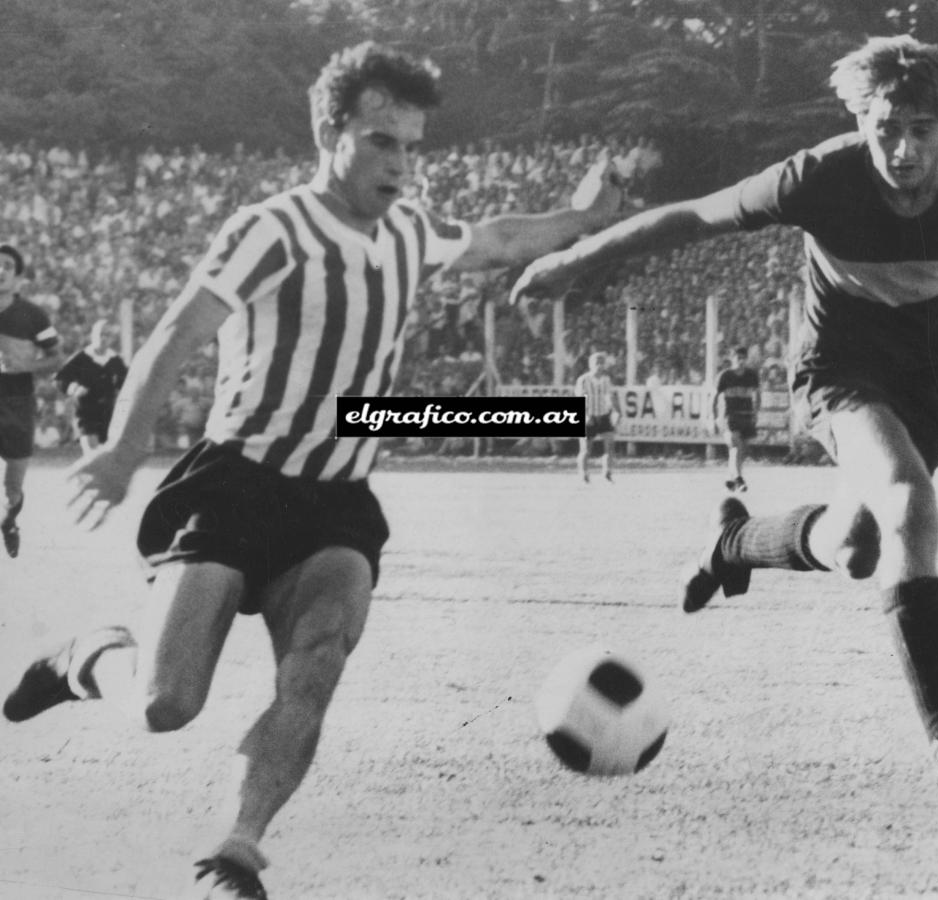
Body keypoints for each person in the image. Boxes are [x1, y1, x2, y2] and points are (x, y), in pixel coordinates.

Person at [2, 42, 622, 900]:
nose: (400, 165)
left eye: (410, 145)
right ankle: (88, 657)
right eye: (380, 142)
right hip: (234, 485)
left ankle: (238, 847)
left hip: (335, 505)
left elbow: (495, 239)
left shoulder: (410, 229)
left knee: (318, 658)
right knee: (164, 704)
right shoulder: (270, 229)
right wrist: (121, 450)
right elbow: (177, 333)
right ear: (330, 135)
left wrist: (581, 217)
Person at [511, 36, 938, 798]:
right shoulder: (816, 178)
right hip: (841, 369)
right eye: (884, 129)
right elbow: (692, 216)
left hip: (931, 378)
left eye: (920, 131)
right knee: (905, 502)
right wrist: (574, 258)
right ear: (859, 119)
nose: (900, 149)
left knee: (860, 545)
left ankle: (733, 544)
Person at [0, 242, 62, 558]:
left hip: (17, 402)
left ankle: (10, 520)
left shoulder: (32, 315)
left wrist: (26, 365)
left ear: (18, 276)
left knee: (14, 486)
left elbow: (56, 358)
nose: (0, 271)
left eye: (7, 266)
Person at [54, 318, 128, 454]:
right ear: (93, 335)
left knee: (106, 457)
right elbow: (60, 380)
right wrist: (74, 388)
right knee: (92, 454)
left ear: (112, 338)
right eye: (101, 334)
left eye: (107, 334)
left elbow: (125, 385)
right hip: (86, 412)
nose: (103, 338)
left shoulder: (116, 361)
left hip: (108, 414)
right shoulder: (82, 358)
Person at [714, 345, 760, 492]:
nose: (741, 361)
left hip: (746, 415)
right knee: (736, 446)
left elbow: (758, 395)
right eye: (738, 358)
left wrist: (756, 412)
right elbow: (713, 398)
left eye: (743, 358)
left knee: (743, 450)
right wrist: (713, 417)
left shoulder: (752, 375)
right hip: (731, 416)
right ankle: (739, 480)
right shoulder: (725, 376)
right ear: (732, 359)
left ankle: (731, 479)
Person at [575, 350, 620, 482]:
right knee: (585, 449)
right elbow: (580, 398)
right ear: (590, 364)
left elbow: (610, 397)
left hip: (603, 415)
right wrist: (585, 415)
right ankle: (584, 473)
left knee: (610, 445)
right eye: (597, 362)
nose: (599, 365)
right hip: (589, 417)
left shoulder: (606, 380)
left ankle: (607, 472)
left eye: (602, 362)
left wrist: (616, 411)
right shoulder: (583, 380)